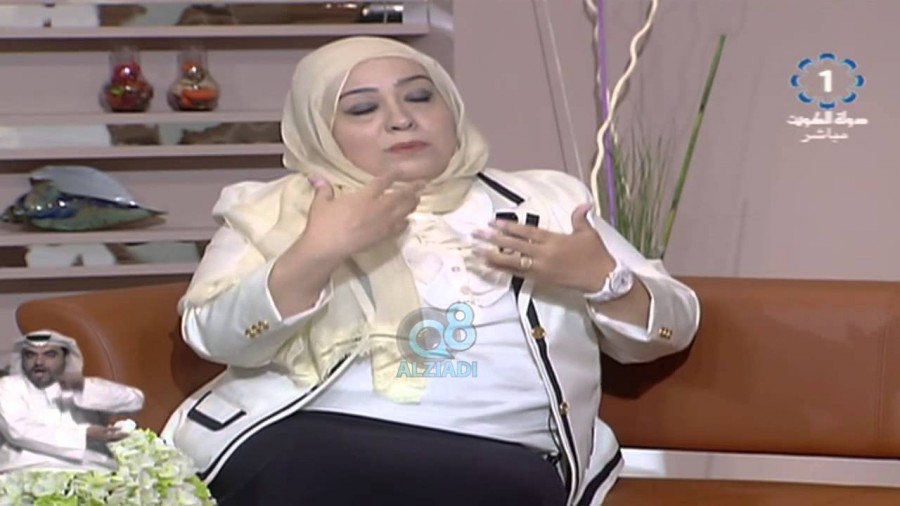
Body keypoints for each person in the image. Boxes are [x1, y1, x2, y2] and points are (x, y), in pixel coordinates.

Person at [161, 36, 700, 506]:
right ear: (319, 130)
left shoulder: (550, 202)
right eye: (362, 108)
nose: (401, 119)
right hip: (303, 438)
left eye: (420, 96)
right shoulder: (273, 210)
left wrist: (603, 279)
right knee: (312, 469)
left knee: (476, 483)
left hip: (500, 452)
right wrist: (317, 252)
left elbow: (675, 325)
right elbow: (214, 336)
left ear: (451, 109)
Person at [0, 330, 144, 473]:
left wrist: (83, 387)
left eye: (50, 355)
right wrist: (85, 435)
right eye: (30, 355)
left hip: (91, 469)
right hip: (26, 470)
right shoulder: (9, 386)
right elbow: (18, 430)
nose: (38, 362)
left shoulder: (87, 386)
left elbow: (135, 401)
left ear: (66, 358)